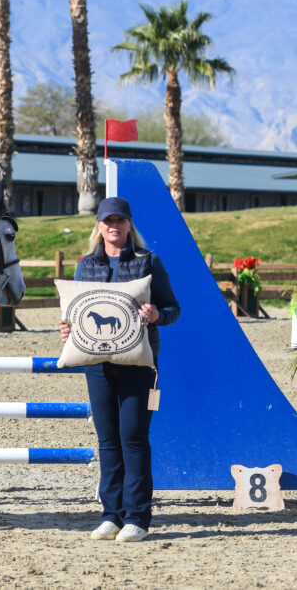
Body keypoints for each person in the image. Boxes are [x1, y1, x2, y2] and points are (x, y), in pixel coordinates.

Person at [60, 196, 180, 543]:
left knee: (134, 438)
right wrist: (69, 330)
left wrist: (157, 315)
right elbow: (76, 313)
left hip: (139, 364)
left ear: (129, 225)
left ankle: (137, 517)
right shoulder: (85, 266)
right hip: (97, 364)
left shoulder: (148, 262)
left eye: (120, 220)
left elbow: (173, 308)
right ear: (99, 225)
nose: (114, 226)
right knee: (107, 440)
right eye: (108, 220)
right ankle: (110, 515)